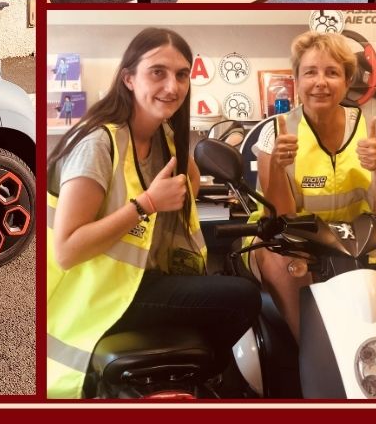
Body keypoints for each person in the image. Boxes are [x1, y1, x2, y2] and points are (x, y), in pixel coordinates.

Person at [46, 28, 261, 399]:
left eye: (181, 75)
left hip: (137, 284)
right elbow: (67, 249)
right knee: (242, 295)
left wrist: (181, 142)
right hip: (96, 297)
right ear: (129, 78)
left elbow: (187, 192)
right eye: (157, 72)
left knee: (230, 289)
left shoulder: (162, 137)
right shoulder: (98, 142)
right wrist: (145, 204)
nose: (173, 86)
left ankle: (185, 384)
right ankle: (205, 384)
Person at [250, 31, 376, 340]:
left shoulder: (372, 131)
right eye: (310, 72)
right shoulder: (275, 133)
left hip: (352, 240)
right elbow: (282, 215)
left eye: (332, 72)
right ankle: (312, 349)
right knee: (285, 262)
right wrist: (278, 168)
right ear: (297, 80)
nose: (320, 81)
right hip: (285, 239)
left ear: (347, 82)